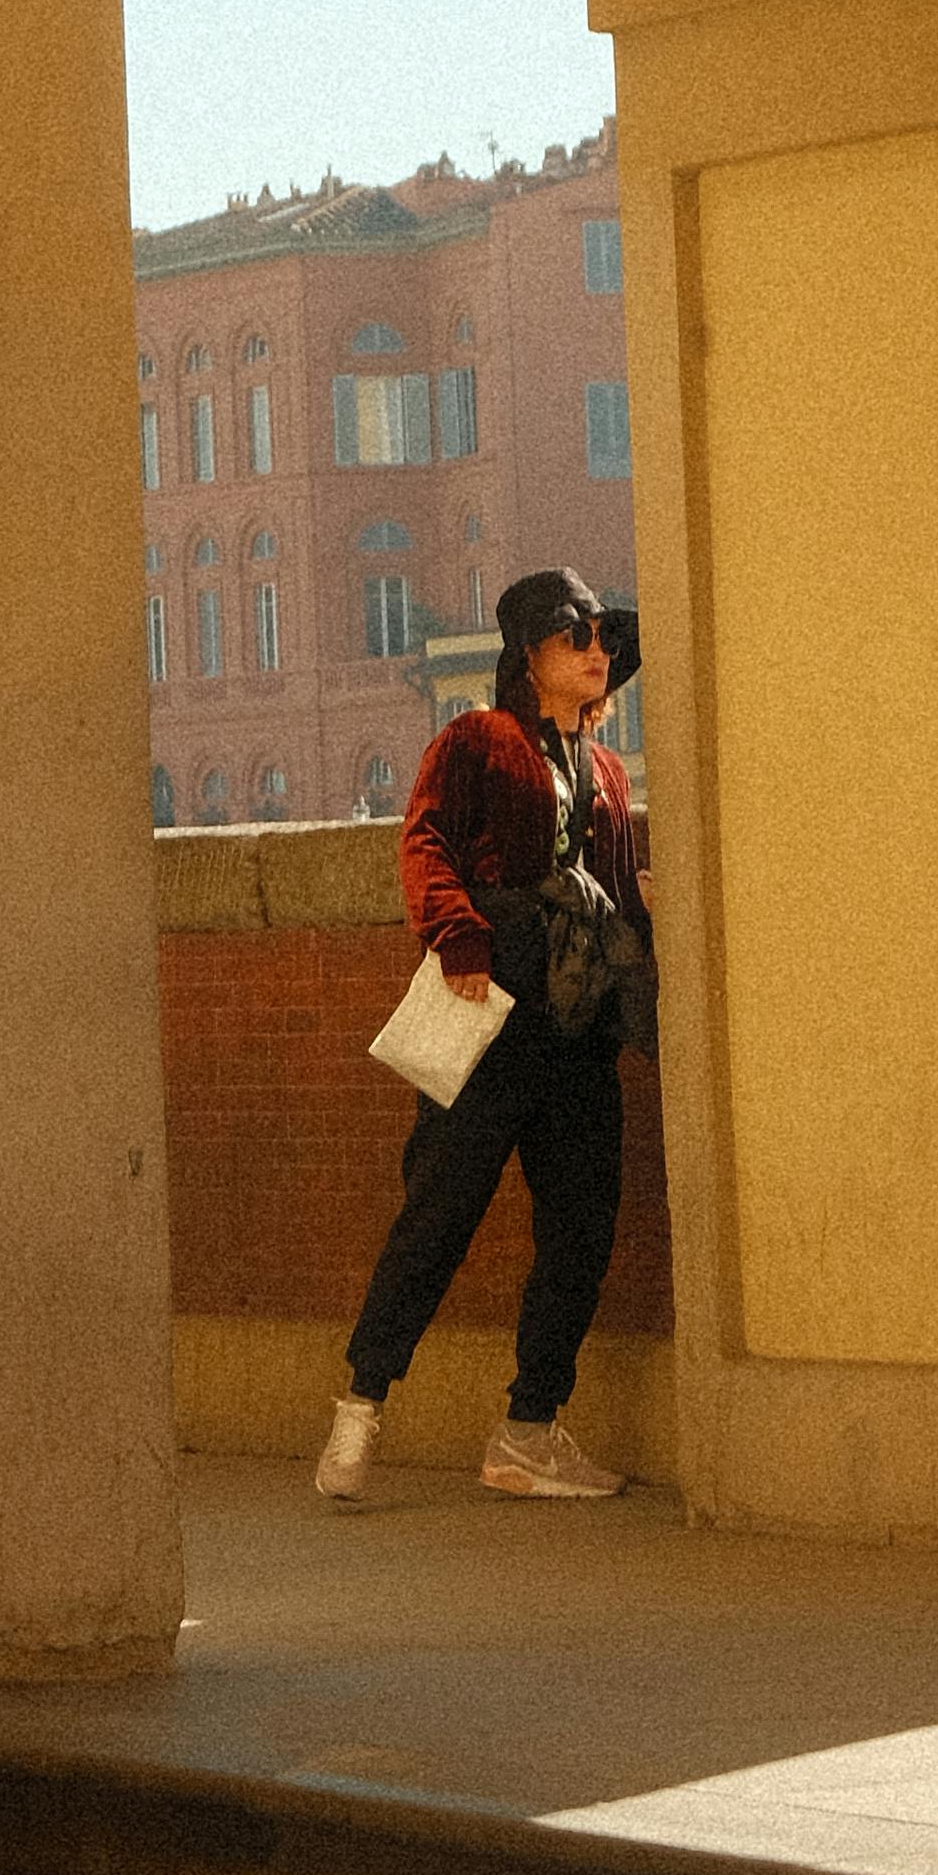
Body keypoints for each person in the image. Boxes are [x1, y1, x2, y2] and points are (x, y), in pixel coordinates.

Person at [316, 567, 650, 1507]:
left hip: (578, 1029)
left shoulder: (609, 771)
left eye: (600, 638)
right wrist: (459, 935)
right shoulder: (476, 742)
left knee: (581, 1228)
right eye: (574, 636)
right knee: (437, 1216)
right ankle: (359, 1408)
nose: (595, 650)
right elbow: (425, 844)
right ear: (528, 657)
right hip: (491, 1015)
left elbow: (616, 889)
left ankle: (530, 1430)